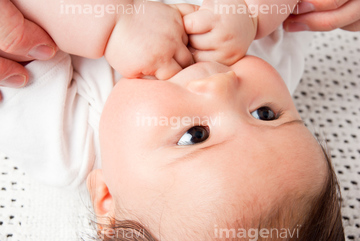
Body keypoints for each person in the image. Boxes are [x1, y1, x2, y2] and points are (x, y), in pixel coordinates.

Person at [1, 0, 359, 240]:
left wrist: (111, 24)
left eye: (195, 135)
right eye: (265, 114)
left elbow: (20, 26)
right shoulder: (261, 57)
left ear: (108, 197)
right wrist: (253, 13)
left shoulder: (62, 142)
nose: (220, 84)